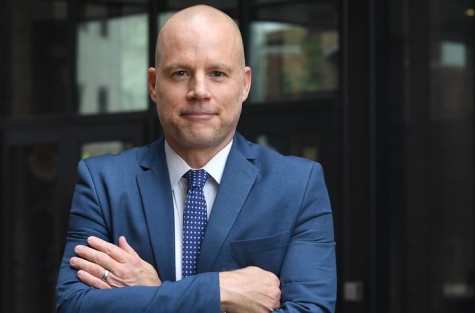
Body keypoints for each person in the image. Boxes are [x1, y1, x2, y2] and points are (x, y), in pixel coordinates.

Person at [55, 4, 336, 313]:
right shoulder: (104, 183)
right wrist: (218, 291)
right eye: (180, 73)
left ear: (244, 84)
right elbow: (74, 306)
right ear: (153, 85)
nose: (199, 91)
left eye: (217, 73)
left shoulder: (298, 185)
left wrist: (154, 292)